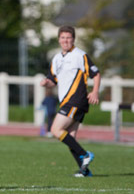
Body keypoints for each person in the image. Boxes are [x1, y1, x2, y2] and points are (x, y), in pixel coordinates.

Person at [41, 26, 101, 177]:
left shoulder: (80, 55)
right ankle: (84, 170)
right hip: (68, 102)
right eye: (63, 38)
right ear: (59, 39)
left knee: (55, 130)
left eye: (68, 37)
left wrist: (94, 91)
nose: (65, 40)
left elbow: (96, 74)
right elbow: (53, 80)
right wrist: (46, 83)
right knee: (70, 138)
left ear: (73, 39)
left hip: (76, 100)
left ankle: (85, 155)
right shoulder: (56, 58)